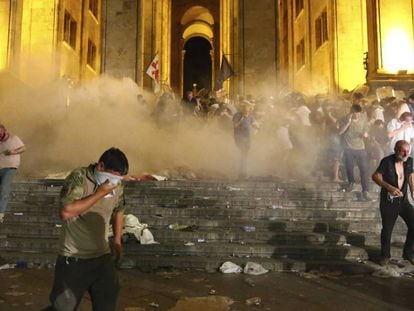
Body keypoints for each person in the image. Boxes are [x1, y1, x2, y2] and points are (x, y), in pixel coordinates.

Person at [48, 148, 129, 311]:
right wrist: (99, 193)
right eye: (111, 177)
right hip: (74, 259)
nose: (113, 183)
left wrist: (118, 241)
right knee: (63, 307)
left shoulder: (117, 185)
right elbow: (66, 212)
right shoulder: (79, 177)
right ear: (100, 166)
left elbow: (119, 209)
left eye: (118, 179)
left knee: (107, 302)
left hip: (102, 257)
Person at [372, 140, 414, 266]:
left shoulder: (409, 161)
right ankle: (385, 255)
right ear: (396, 150)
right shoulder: (387, 161)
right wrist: (389, 187)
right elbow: (375, 176)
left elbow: (411, 175)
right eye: (403, 150)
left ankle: (408, 252)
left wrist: (413, 190)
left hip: (403, 201)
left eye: (408, 150)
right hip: (389, 201)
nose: (406, 153)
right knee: (387, 229)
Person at [338, 104, 370, 200]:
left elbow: (366, 130)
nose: (358, 116)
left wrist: (366, 134)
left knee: (364, 170)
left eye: (359, 114)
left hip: (361, 148)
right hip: (349, 147)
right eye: (356, 114)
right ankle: (351, 183)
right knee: (349, 167)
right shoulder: (344, 119)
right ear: (352, 112)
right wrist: (348, 123)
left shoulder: (363, 118)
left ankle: (365, 190)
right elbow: (340, 132)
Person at [0, 124, 25, 223]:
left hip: (10, 168)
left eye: (0, 132)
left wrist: (12, 152)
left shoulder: (14, 139)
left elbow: (23, 149)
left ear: (5, 130)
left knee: (4, 188)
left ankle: (1, 213)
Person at [233, 100, 259, 179]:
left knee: (245, 154)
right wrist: (242, 118)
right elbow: (235, 125)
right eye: (243, 107)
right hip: (239, 137)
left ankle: (243, 171)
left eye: (247, 107)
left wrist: (257, 128)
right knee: (243, 153)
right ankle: (241, 172)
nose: (245, 109)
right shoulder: (237, 115)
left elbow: (256, 125)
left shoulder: (250, 116)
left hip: (247, 138)